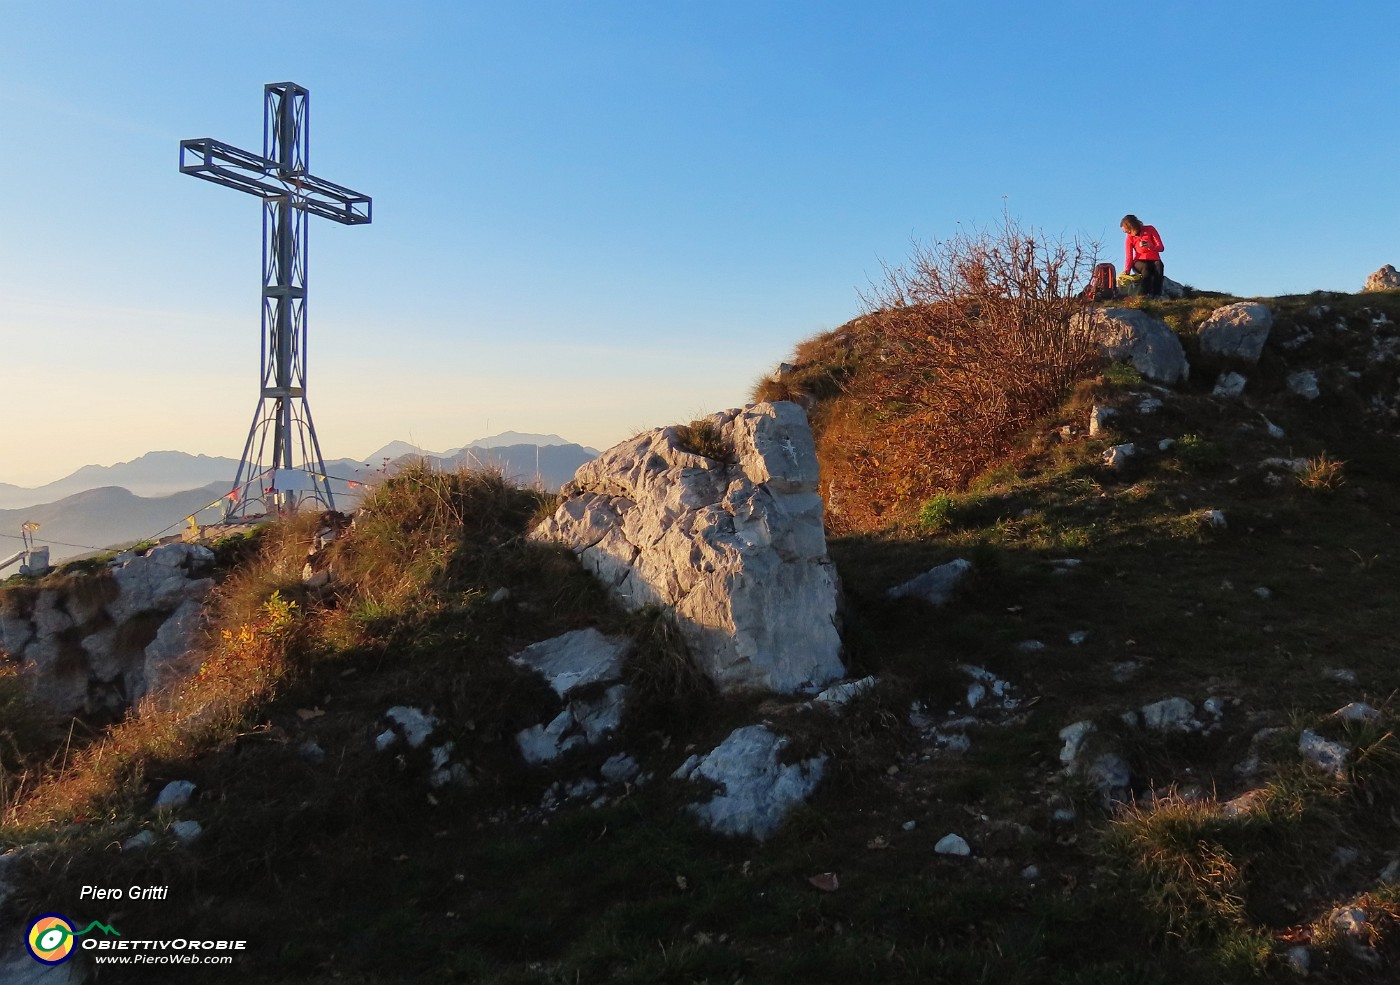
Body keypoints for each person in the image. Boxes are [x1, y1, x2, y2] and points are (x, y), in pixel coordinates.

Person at [1121, 214, 1165, 298]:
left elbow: (1161, 247)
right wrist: (1127, 270)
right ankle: (1145, 294)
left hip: (1154, 259)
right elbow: (1129, 256)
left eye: (1128, 231)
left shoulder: (1150, 229)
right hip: (1139, 261)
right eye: (1125, 232)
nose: (1128, 233)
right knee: (1146, 267)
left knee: (1159, 266)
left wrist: (1150, 246)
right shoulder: (1129, 238)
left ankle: (1157, 294)